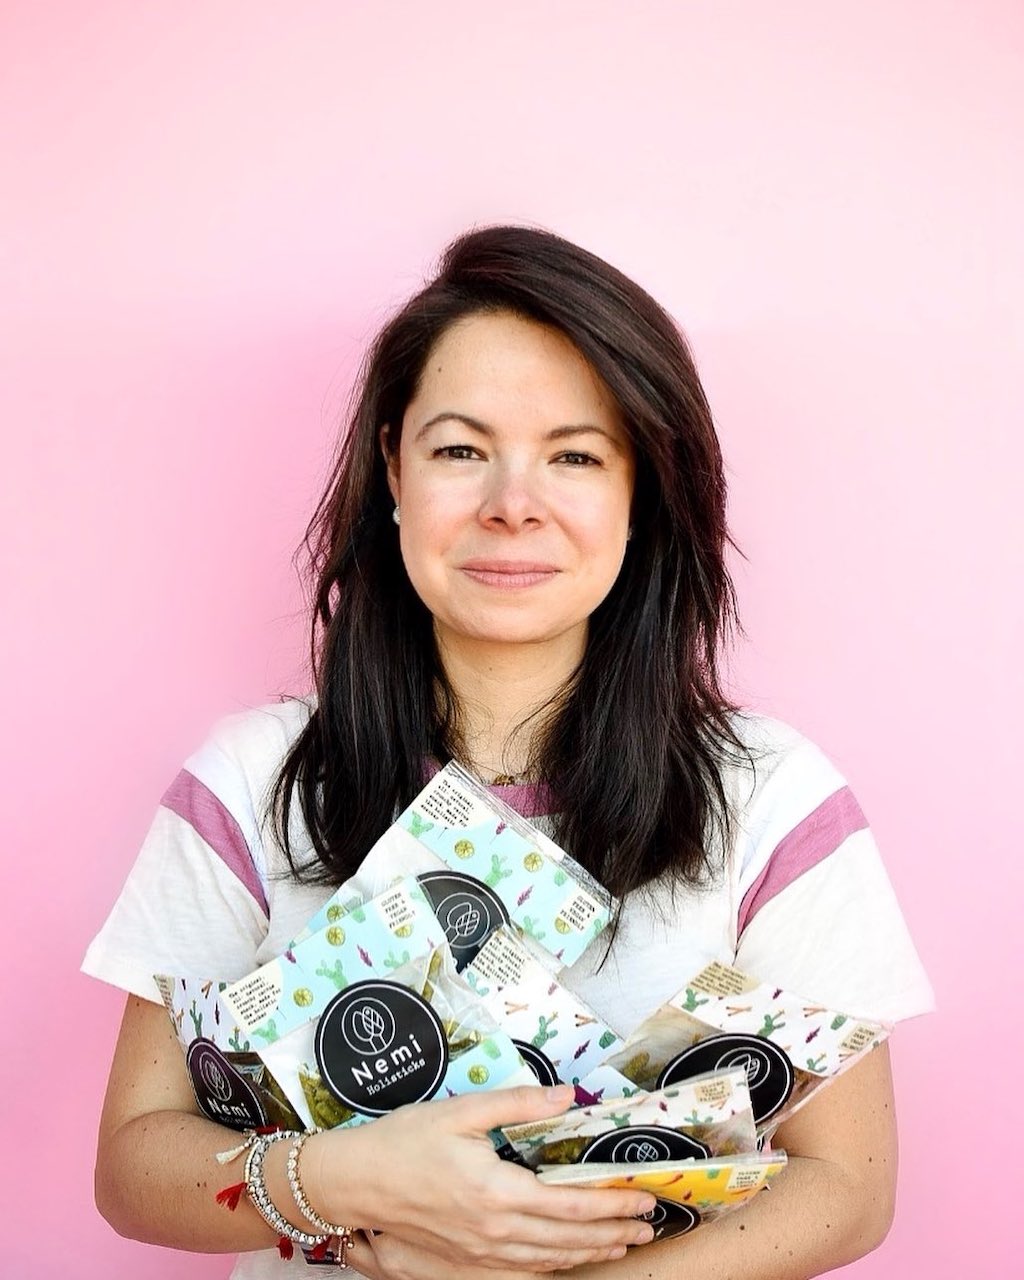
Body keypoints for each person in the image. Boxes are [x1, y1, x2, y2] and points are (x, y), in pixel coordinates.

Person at [84, 225, 933, 1279]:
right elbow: (134, 1164)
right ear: (393, 468)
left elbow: (847, 1183)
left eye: (575, 454)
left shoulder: (769, 797)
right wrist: (347, 1180)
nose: (512, 504)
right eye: (460, 449)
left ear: (641, 491)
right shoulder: (254, 782)